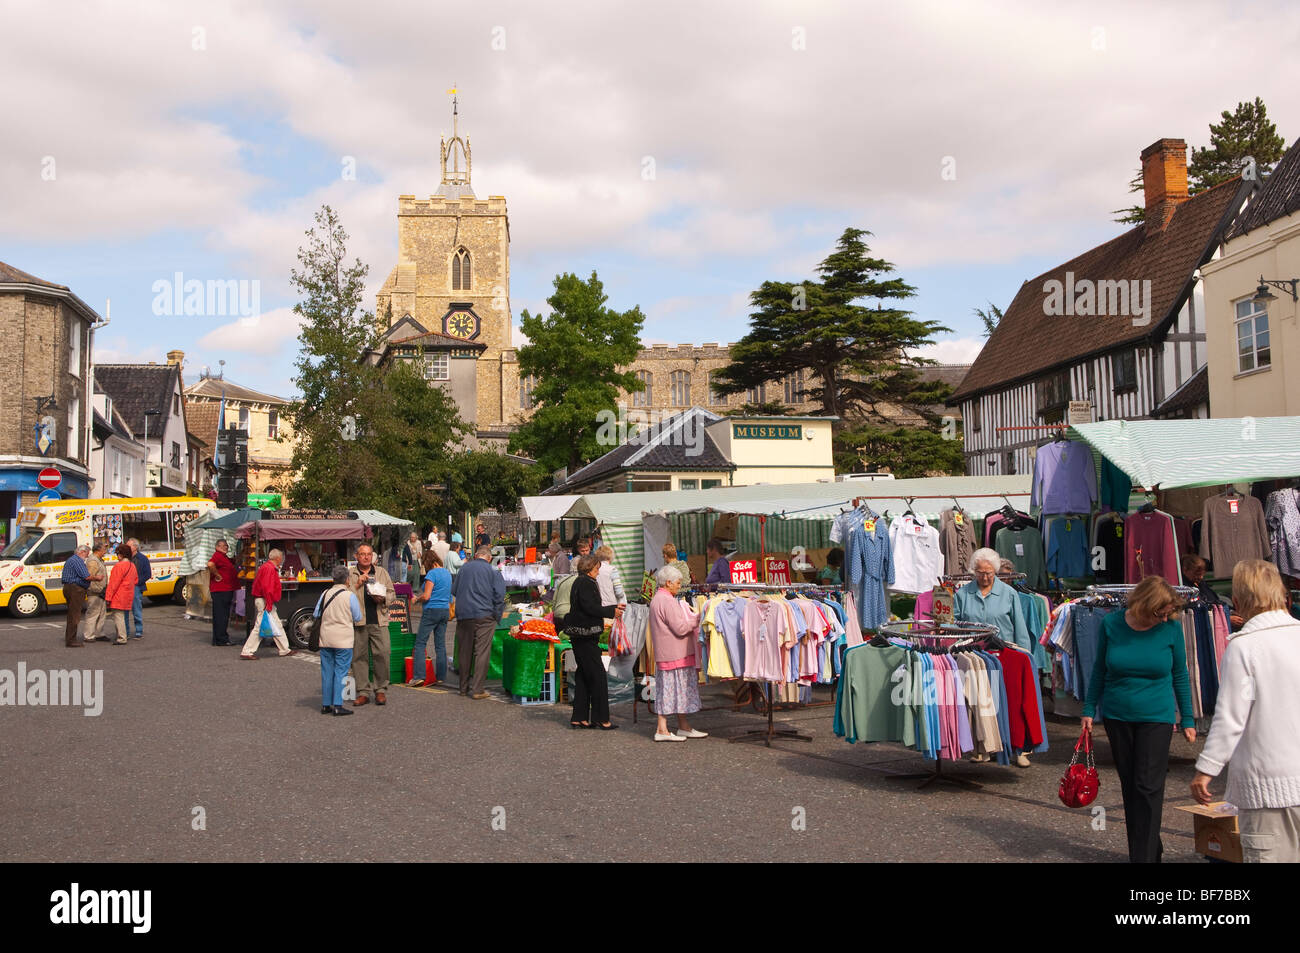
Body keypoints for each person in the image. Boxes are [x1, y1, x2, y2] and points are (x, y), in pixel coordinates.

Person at [1191, 559, 1300, 862]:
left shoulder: (1245, 647)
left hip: (1268, 787)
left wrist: (1206, 769)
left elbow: (1231, 716)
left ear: (1237, 601)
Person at [1081, 574, 1196, 864]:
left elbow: (1180, 675)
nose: (1166, 616)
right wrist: (1088, 709)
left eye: (1168, 611)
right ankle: (1148, 846)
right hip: (1118, 715)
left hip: (1156, 717)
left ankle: (1142, 858)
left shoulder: (1170, 629)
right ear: (1145, 605)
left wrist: (1188, 719)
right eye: (1161, 611)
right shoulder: (1112, 624)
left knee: (1147, 785)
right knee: (1131, 786)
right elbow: (1099, 670)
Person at [953, 547, 1034, 766]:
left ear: (996, 571)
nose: (985, 577)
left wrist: (1025, 655)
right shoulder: (962, 594)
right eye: (980, 572)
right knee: (981, 704)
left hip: (1005, 654)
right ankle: (983, 748)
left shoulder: (1009, 594)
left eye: (989, 572)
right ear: (973, 571)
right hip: (976, 657)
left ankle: (1018, 749)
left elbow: (1019, 626)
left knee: (1011, 702)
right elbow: (955, 625)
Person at [649, 565, 706, 742]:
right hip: (674, 653)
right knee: (672, 691)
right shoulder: (666, 601)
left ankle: (683, 726)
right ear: (668, 582)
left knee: (673, 691)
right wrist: (697, 619)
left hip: (669, 653)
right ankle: (662, 728)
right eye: (678, 582)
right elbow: (680, 628)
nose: (679, 586)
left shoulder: (659, 599)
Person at [564, 554, 622, 729]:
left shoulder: (579, 581)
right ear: (589, 569)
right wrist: (612, 611)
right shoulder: (586, 583)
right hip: (585, 636)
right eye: (596, 569)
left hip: (580, 634)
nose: (598, 572)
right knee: (597, 677)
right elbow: (590, 607)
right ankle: (601, 718)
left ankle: (579, 716)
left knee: (583, 675)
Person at [451, 545, 506, 699]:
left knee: (464, 651)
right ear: (489, 558)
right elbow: (499, 595)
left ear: (476, 555)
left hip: (464, 614)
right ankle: (477, 689)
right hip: (485, 615)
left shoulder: (464, 569)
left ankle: (463, 688)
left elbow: (454, 590)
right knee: (482, 652)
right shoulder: (493, 571)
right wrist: (498, 615)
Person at [348, 544, 395, 706]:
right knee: (359, 657)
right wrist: (357, 584)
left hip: (379, 620)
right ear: (356, 556)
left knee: (382, 654)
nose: (366, 557)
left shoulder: (381, 572)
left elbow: (392, 593)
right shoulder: (351, 574)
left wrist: (382, 599)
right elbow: (345, 596)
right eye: (362, 554)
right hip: (359, 621)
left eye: (369, 554)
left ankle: (380, 689)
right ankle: (363, 691)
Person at [314, 565, 360, 716]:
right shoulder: (350, 596)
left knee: (327, 671)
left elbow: (316, 613)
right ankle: (338, 705)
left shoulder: (325, 593)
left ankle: (326, 704)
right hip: (344, 640)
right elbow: (357, 617)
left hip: (326, 638)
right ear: (347, 579)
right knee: (341, 671)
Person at [241, 548, 293, 659]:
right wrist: (269, 603)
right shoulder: (270, 568)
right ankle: (247, 651)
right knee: (260, 626)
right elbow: (267, 588)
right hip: (265, 600)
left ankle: (284, 649)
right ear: (278, 558)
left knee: (276, 624)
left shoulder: (266, 567)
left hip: (263, 599)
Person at [411, 550, 453, 685]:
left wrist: (416, 599)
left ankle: (419, 676)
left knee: (420, 643)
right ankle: (441, 677)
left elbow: (427, 595)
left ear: (428, 562)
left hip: (431, 610)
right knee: (440, 645)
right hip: (445, 610)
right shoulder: (447, 573)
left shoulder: (432, 574)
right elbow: (450, 596)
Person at [104, 543, 138, 645]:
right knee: (123, 616)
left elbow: (113, 583)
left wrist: (108, 597)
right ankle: (123, 635)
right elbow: (136, 580)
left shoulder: (118, 566)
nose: (117, 556)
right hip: (129, 594)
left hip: (119, 595)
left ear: (121, 554)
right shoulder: (132, 566)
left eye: (117, 554)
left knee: (118, 617)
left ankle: (122, 637)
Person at [60, 544, 94, 647]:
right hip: (75, 589)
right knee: (74, 615)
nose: (87, 557)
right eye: (87, 554)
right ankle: (71, 640)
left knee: (71, 614)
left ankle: (70, 638)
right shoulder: (77, 561)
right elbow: (86, 576)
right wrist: (97, 578)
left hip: (69, 587)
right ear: (82, 552)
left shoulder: (71, 560)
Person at [207, 539, 238, 646]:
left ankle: (218, 638)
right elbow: (210, 564)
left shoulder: (223, 557)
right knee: (222, 615)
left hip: (225, 589)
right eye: (225, 546)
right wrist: (217, 575)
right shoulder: (217, 555)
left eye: (227, 546)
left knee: (221, 615)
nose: (226, 548)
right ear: (218, 546)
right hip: (221, 590)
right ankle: (222, 639)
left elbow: (231, 562)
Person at [81, 538, 110, 643]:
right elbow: (90, 576)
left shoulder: (99, 560)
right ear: (98, 550)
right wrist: (96, 588)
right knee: (93, 614)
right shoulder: (93, 561)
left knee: (102, 613)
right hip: (95, 592)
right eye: (104, 549)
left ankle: (99, 633)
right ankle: (89, 635)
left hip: (101, 591)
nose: (105, 551)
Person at [128, 538, 152, 639]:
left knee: (136, 609)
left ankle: (138, 631)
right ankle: (126, 631)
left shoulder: (142, 558)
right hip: (126, 587)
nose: (127, 548)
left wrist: (137, 582)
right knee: (124, 610)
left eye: (129, 546)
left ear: (135, 547)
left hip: (137, 587)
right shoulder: (126, 558)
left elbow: (148, 574)